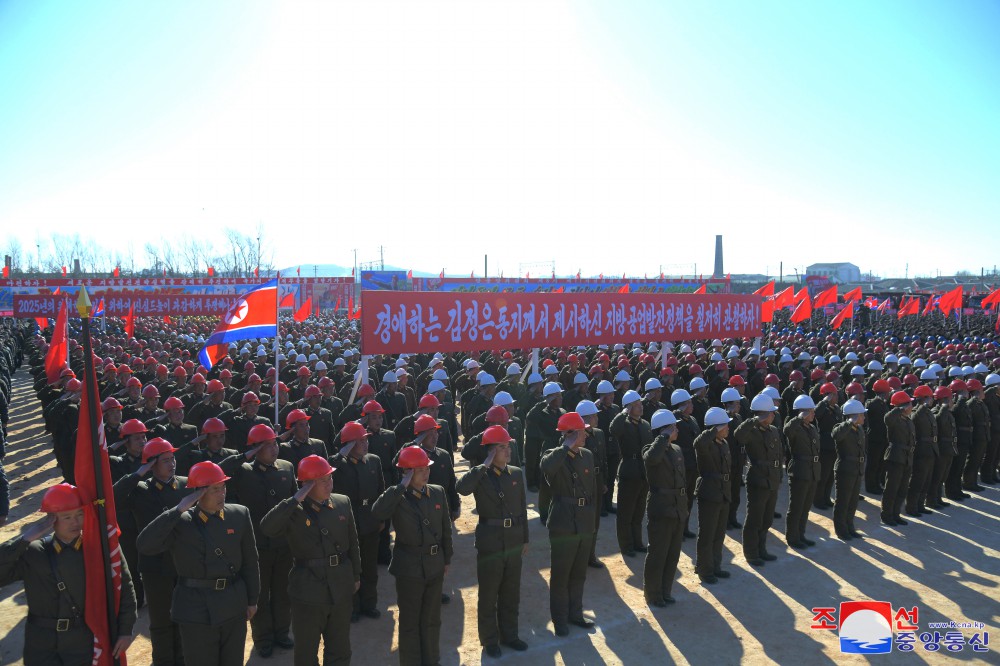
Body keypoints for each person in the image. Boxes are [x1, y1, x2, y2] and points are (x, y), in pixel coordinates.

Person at [137, 461, 261, 666]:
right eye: (214, 490)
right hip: (195, 609)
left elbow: (250, 560)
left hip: (233, 602)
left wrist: (252, 599)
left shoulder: (239, 514)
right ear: (199, 493)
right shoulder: (182, 522)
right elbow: (145, 545)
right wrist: (177, 510)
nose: (221, 494)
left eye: (223, 487)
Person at [0, 483, 137, 665]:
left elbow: (125, 588)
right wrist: (23, 540)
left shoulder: (101, 549)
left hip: (82, 641)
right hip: (41, 643)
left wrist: (125, 631)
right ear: (51, 519)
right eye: (67, 517)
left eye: (80, 514)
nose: (75, 522)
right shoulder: (34, 552)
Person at [260, 455, 361, 666]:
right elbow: (267, 527)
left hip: (340, 584)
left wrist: (356, 575)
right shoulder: (294, 511)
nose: (329, 484)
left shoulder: (342, 502)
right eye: (322, 480)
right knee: (306, 652)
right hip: (308, 591)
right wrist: (295, 498)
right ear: (307, 484)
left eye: (329, 478)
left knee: (340, 649)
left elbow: (353, 542)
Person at [217, 424, 297, 658]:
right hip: (256, 544)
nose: (274, 449)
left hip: (284, 542)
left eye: (275, 444)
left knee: (283, 591)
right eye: (267, 445)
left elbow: (294, 503)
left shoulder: (286, 467)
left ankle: (282, 632)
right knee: (259, 594)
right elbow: (219, 470)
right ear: (255, 449)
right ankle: (263, 638)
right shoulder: (243, 470)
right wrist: (246, 455)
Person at [372, 446, 453, 666]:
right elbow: (378, 512)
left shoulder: (437, 492)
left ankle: (431, 660)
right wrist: (400, 487)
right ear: (407, 473)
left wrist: (446, 559)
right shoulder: (398, 497)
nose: (426, 473)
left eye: (426, 468)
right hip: (409, 568)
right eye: (419, 470)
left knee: (432, 620)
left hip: (435, 564)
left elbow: (446, 528)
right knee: (410, 622)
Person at [114, 438, 191, 665]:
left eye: (173, 458)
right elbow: (113, 498)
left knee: (185, 616)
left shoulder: (186, 485)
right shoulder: (140, 490)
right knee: (161, 621)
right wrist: (139, 473)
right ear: (151, 465)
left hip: (184, 562)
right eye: (165, 460)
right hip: (155, 566)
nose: (172, 464)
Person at [456, 425, 529, 659]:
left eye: (508, 446)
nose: (508, 451)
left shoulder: (516, 473)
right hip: (490, 541)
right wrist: (483, 465)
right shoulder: (481, 476)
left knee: (511, 591)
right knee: (489, 593)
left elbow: (522, 510)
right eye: (501, 447)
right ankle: (489, 639)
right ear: (490, 452)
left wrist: (525, 538)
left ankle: (510, 634)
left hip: (514, 540)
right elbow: (462, 488)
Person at [539, 412, 598, 636]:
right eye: (581, 431)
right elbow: (547, 468)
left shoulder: (587, 456)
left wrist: (591, 521)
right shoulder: (553, 455)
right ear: (570, 434)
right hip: (563, 522)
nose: (585, 435)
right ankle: (560, 620)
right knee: (561, 575)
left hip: (583, 521)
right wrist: (565, 446)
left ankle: (575, 613)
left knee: (578, 573)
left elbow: (592, 490)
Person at [330, 421, 386, 622]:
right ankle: (352, 607)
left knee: (369, 567)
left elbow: (381, 490)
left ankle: (369, 603)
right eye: (360, 441)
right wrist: (342, 452)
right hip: (348, 521)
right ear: (349, 445)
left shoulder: (374, 461)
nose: (365, 444)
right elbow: (330, 466)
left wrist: (381, 517)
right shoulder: (338, 465)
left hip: (370, 518)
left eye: (366, 440)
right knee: (352, 567)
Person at [642, 409, 688, 606]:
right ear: (664, 430)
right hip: (661, 508)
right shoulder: (649, 449)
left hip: (677, 507)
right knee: (658, 553)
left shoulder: (676, 450)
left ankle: (665, 590)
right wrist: (663, 437)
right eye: (673, 427)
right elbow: (652, 458)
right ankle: (653, 594)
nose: (677, 429)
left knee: (672, 552)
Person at [735, 393, 783, 566]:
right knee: (755, 518)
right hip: (758, 479)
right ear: (762, 414)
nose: (773, 415)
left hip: (772, 479)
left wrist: (779, 476)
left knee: (767, 518)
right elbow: (738, 435)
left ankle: (761, 549)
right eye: (770, 412)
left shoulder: (774, 430)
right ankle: (751, 553)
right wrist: (754, 420)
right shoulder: (751, 432)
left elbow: (779, 454)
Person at [693, 407, 733, 584]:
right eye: (725, 426)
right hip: (709, 492)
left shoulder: (723, 443)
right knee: (707, 534)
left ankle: (715, 566)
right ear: (716, 428)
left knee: (719, 533)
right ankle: (704, 569)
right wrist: (714, 429)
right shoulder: (706, 444)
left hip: (723, 492)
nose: (728, 429)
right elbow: (698, 443)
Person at [609, 389, 651, 557]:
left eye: (640, 404)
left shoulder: (645, 424)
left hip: (643, 471)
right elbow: (613, 429)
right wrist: (623, 411)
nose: (640, 407)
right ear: (628, 408)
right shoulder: (623, 424)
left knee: (639, 510)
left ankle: (637, 541)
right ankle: (626, 545)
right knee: (626, 512)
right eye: (636, 405)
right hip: (629, 469)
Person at [784, 394, 821, 548]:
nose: (813, 414)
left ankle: (801, 534)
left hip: (812, 471)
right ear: (803, 412)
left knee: (805, 507)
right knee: (797, 506)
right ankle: (792, 538)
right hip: (799, 471)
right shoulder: (794, 427)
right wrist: (799, 418)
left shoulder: (812, 427)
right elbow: (787, 430)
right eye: (811, 411)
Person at [832, 400, 867, 541]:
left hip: (856, 469)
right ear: (854, 416)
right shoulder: (841, 428)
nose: (864, 417)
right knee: (843, 501)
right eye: (862, 415)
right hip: (845, 469)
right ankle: (841, 530)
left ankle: (850, 526)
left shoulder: (859, 429)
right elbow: (836, 435)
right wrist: (849, 422)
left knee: (852, 501)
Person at [881, 391, 916, 526]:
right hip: (895, 457)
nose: (912, 406)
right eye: (909, 403)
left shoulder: (907, 419)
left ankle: (896, 514)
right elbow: (887, 419)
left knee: (902, 489)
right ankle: (886, 515)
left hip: (907, 457)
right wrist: (899, 408)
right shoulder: (893, 419)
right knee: (892, 488)